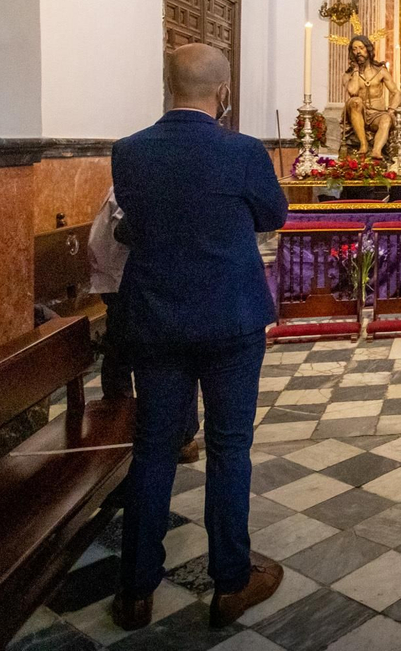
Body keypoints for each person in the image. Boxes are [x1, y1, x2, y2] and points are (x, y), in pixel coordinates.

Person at [110, 44, 290, 631]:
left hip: (157, 319)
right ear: (224, 91)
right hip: (231, 319)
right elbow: (274, 216)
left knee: (153, 449)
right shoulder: (242, 152)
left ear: (168, 87)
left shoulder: (129, 153)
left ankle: (135, 592)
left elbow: (134, 225)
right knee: (229, 448)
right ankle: (231, 584)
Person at [87, 186, 200, 464]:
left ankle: (169, 434)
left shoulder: (142, 177)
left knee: (135, 357)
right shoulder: (136, 186)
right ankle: (124, 431)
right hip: (129, 282)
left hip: (133, 280)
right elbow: (125, 232)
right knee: (131, 358)